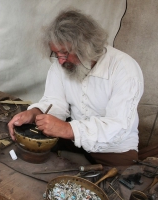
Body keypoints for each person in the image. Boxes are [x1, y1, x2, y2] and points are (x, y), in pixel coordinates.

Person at [8, 9, 144, 166]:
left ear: (86, 46)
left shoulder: (124, 69)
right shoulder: (61, 66)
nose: (60, 61)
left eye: (64, 53)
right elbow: (55, 101)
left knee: (115, 188)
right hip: (71, 140)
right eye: (55, 54)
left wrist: (68, 129)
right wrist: (34, 113)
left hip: (114, 150)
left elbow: (118, 127)